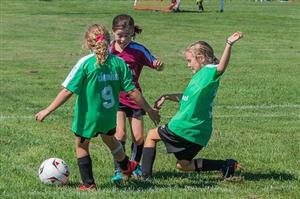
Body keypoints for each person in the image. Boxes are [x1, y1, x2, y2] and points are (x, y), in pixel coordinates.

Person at [35, 24, 160, 190]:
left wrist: (47, 110)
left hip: (88, 116)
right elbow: (132, 91)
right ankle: (126, 167)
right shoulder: (119, 62)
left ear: (88, 42)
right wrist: (150, 110)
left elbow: (67, 91)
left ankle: (89, 184)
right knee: (110, 139)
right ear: (109, 41)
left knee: (81, 146)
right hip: (109, 115)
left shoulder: (86, 63)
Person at [141, 32, 243, 180]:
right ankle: (226, 165)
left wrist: (229, 44)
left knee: (151, 135)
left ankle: (145, 177)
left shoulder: (210, 71)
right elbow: (187, 98)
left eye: (189, 61)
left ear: (200, 58)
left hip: (184, 127)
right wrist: (168, 96)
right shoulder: (201, 77)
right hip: (199, 132)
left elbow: (221, 67)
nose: (188, 65)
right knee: (183, 166)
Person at [110, 14, 164, 183]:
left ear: (132, 32)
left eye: (127, 35)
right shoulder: (108, 50)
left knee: (139, 138)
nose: (123, 39)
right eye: (120, 35)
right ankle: (120, 169)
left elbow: (155, 63)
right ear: (113, 33)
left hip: (135, 98)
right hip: (116, 98)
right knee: (120, 135)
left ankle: (133, 165)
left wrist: (159, 65)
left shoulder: (138, 50)